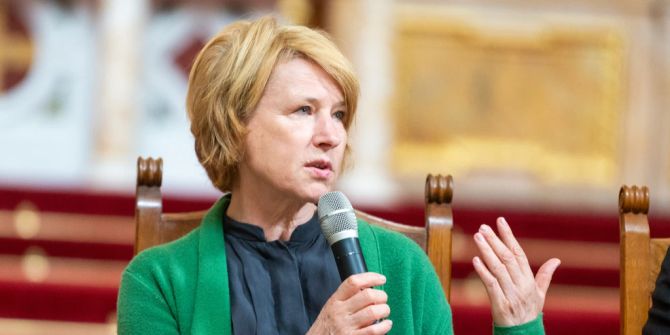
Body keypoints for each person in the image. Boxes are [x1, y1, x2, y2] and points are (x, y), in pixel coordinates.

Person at [116, 15, 561, 334]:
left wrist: (519, 327)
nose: (331, 136)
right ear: (235, 125)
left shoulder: (402, 267)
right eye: (304, 111)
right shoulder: (159, 281)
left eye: (340, 114)